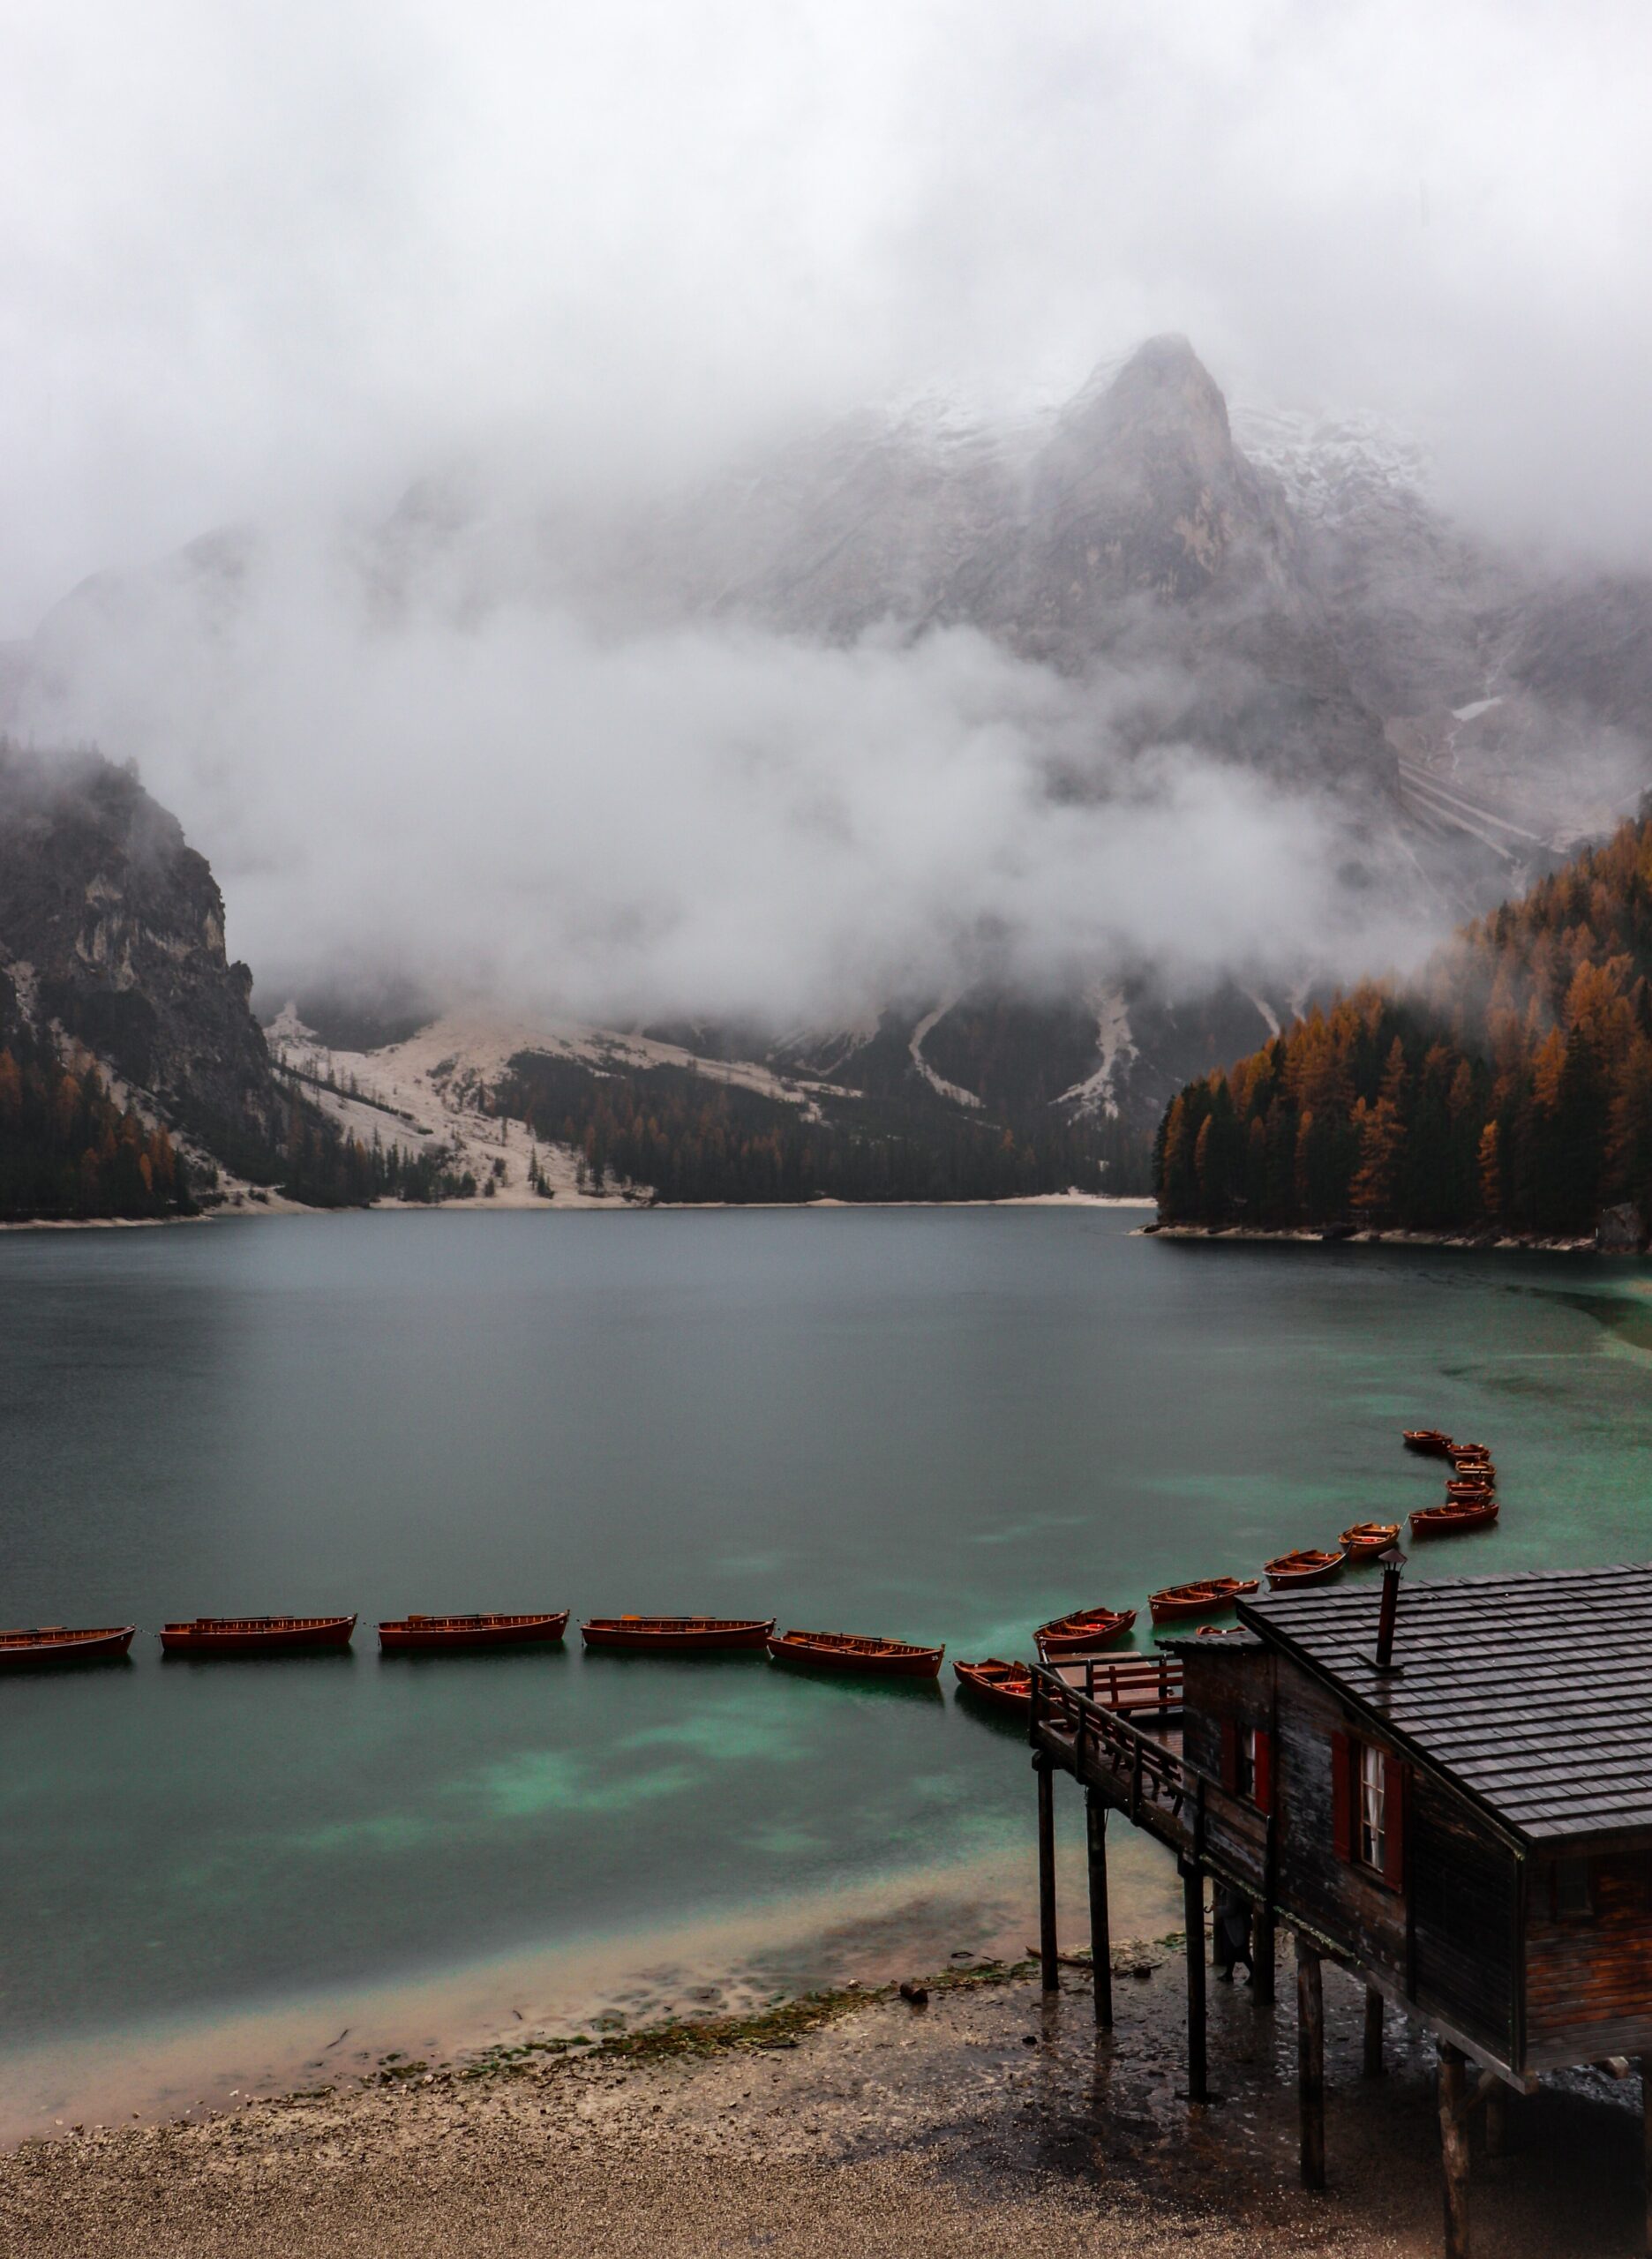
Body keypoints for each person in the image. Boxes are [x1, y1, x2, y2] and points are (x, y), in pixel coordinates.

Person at [1212, 1884, 1253, 1983]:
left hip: (1237, 1925)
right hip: (1232, 1925)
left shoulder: (1231, 1889)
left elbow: (1231, 1909)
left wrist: (1217, 1909)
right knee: (1229, 1950)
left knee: (1241, 1952)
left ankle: (1254, 1973)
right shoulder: (1227, 1886)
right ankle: (1228, 1974)